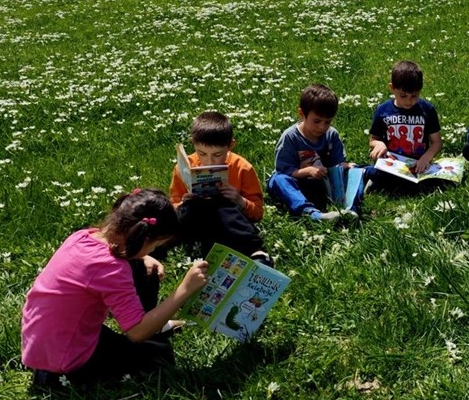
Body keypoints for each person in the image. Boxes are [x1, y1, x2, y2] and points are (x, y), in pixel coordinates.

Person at [21, 189, 209, 389]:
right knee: (158, 356)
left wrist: (142, 256)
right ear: (144, 239)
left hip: (42, 344)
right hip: (65, 361)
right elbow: (136, 333)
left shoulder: (84, 236)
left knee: (140, 268)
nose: (153, 252)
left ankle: (153, 324)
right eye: (155, 247)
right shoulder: (111, 268)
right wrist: (183, 290)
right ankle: (58, 380)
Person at [169, 111, 270, 263]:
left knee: (222, 202)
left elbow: (257, 213)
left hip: (228, 222)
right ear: (193, 143)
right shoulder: (184, 167)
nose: (209, 161)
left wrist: (239, 200)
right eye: (201, 153)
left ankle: (255, 251)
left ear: (230, 146)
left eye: (217, 155)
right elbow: (173, 208)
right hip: (195, 220)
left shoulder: (242, 167)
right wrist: (183, 202)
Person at [267, 84, 360, 222]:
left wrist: (343, 166)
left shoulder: (331, 134)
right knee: (278, 180)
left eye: (327, 122)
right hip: (298, 183)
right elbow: (284, 170)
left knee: (356, 171)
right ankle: (311, 214)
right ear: (302, 114)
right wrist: (308, 171)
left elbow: (336, 165)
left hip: (324, 184)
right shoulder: (290, 137)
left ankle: (351, 209)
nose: (322, 127)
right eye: (316, 121)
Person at [365, 60, 445, 193]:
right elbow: (373, 139)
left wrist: (426, 158)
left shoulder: (427, 110)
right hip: (392, 164)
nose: (409, 101)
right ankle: (376, 180)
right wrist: (379, 145)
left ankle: (385, 184)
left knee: (431, 182)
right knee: (381, 174)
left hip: (419, 164)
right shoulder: (383, 110)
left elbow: (436, 142)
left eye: (414, 96)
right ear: (392, 88)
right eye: (403, 96)